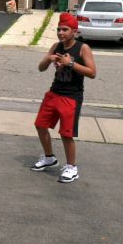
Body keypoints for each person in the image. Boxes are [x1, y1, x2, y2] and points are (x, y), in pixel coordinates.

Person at [31, 12, 96, 183]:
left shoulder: (83, 48)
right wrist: (49, 59)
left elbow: (92, 73)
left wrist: (71, 64)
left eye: (65, 29)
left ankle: (72, 168)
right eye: (59, 29)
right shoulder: (56, 46)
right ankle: (49, 158)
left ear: (74, 31)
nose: (61, 33)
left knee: (66, 134)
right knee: (40, 125)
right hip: (54, 93)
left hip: (71, 96)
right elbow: (41, 68)